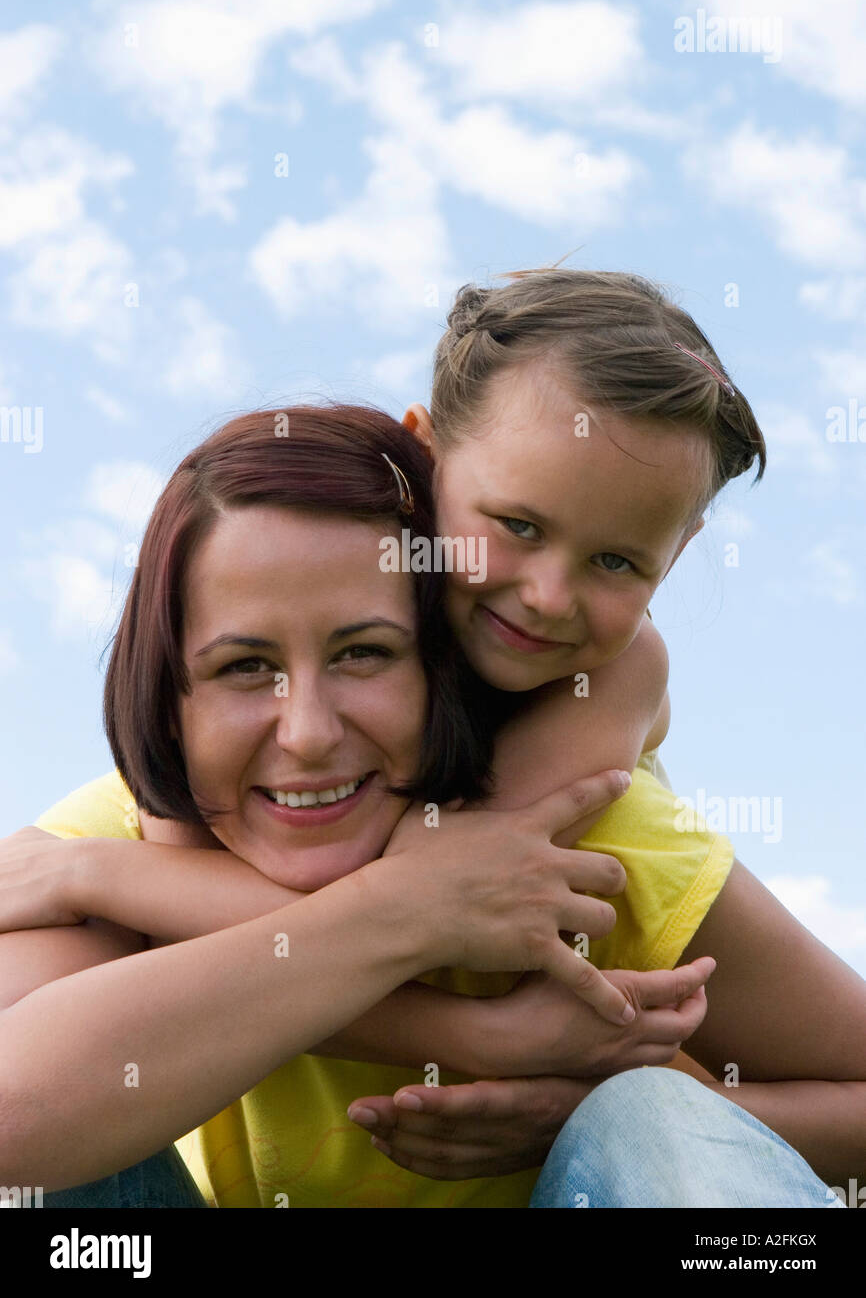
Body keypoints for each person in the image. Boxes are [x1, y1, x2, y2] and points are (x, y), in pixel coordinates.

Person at [4, 369, 862, 1204]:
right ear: (167, 694)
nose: (306, 732)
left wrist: (573, 1111)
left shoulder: (588, 849)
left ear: (441, 660)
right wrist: (432, 946)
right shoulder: (104, 844)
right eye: (244, 666)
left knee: (655, 1115)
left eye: (364, 653)